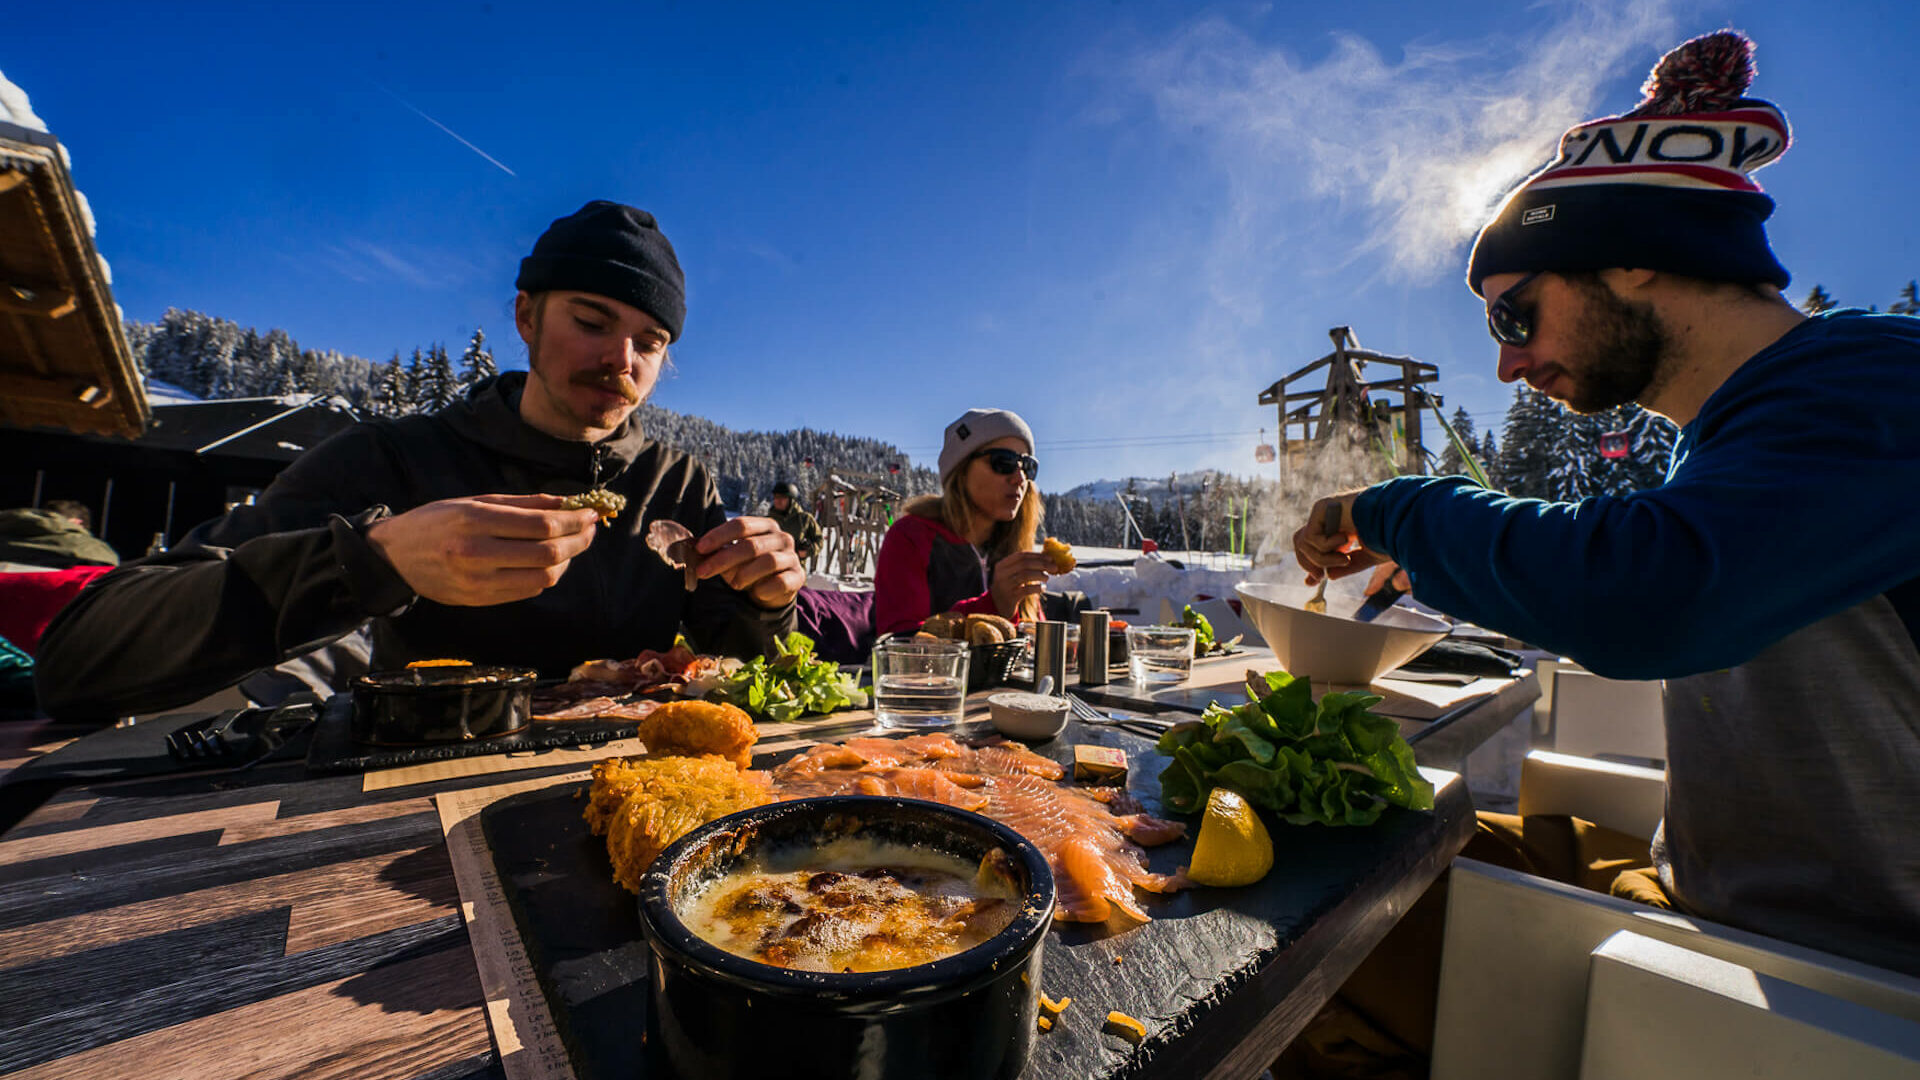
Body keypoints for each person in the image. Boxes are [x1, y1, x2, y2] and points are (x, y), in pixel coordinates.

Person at [1285, 35, 1919, 1067]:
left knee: (1298, 943)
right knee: (1337, 841)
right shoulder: (1752, 438)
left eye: (1515, 311)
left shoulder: (1880, 386)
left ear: (1634, 253)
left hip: (1820, 986)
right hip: (1705, 901)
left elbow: (1645, 591)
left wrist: (1402, 508)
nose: (1504, 362)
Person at [35, 200, 803, 720]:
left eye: (650, 341)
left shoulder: (677, 483)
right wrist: (370, 560)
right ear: (527, 318)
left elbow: (735, 664)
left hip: (631, 793)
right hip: (413, 805)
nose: (621, 358)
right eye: (593, 321)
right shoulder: (395, 460)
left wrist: (765, 603)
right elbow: (82, 656)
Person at [872, 408, 1061, 635]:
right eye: (1004, 462)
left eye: (1027, 466)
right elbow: (898, 644)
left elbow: (1032, 637)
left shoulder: (1012, 546)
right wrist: (994, 604)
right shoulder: (911, 537)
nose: (1019, 478)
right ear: (960, 470)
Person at [766, 480, 822, 568]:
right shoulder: (767, 521)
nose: (778, 500)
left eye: (782, 497)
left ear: (791, 500)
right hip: (772, 571)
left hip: (795, 571)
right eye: (776, 497)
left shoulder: (805, 519)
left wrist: (808, 551)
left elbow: (819, 540)